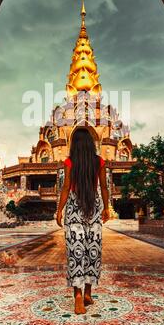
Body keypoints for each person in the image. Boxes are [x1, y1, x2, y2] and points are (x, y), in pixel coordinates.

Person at [56, 127, 110, 314]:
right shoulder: (99, 162)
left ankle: (78, 297)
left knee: (76, 251)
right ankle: (88, 293)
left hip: (74, 207)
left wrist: (59, 210)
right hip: (93, 207)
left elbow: (65, 187)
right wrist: (107, 208)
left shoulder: (70, 162)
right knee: (92, 250)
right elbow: (104, 187)